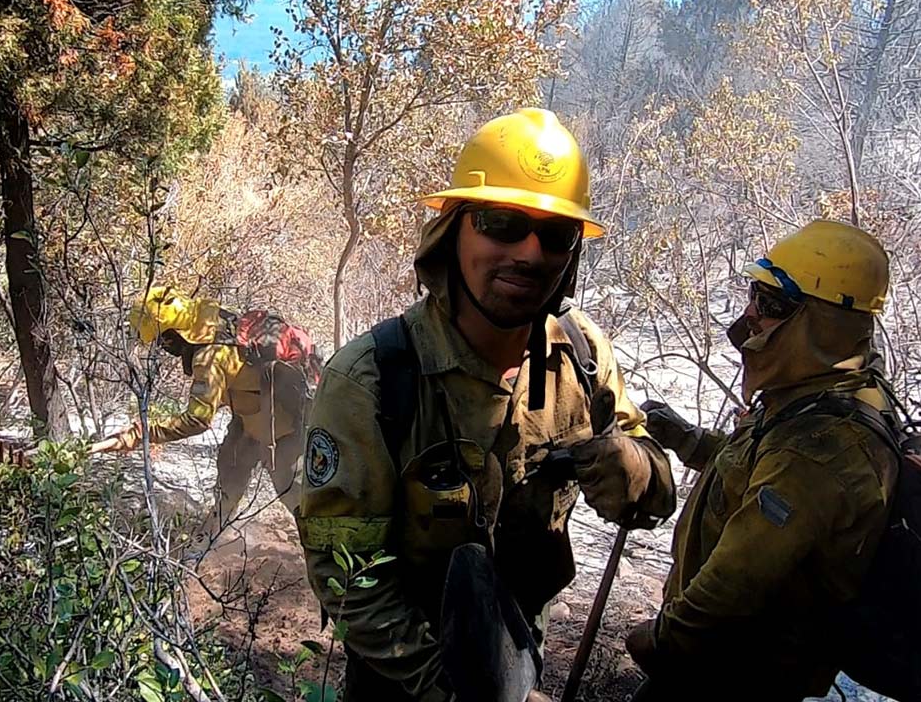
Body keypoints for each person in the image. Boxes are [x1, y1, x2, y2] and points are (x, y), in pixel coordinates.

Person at [294, 108, 676, 701]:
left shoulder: (582, 356)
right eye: (502, 224)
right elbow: (345, 578)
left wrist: (638, 468)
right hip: (403, 682)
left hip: (521, 656)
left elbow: (655, 494)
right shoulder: (373, 379)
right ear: (453, 232)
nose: (530, 253)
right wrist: (455, 692)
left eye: (555, 235)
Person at [627, 220, 900, 701]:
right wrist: (687, 439)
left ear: (825, 325)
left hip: (731, 674)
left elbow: (737, 579)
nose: (751, 314)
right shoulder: (815, 394)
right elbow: (752, 471)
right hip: (718, 661)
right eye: (756, 294)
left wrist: (664, 641)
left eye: (772, 304)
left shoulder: (820, 448)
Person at [94, 287, 319, 541]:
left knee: (296, 496)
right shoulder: (214, 321)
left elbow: (197, 420)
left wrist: (139, 434)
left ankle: (327, 551)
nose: (164, 348)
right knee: (229, 477)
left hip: (281, 429)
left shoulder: (209, 358)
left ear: (173, 335)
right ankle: (211, 543)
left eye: (162, 340)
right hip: (249, 420)